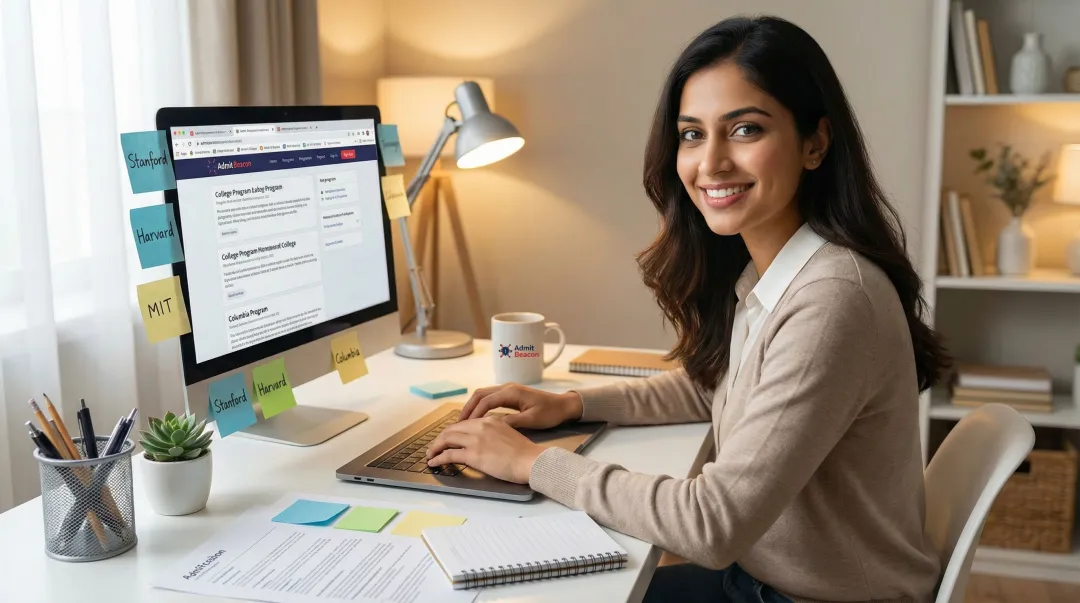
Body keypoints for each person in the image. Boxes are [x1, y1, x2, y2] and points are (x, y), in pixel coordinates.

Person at [425, 15, 950, 603]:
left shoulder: (832, 299)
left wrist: (532, 464)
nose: (711, 163)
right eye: (693, 134)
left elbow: (711, 524)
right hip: (764, 582)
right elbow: (720, 388)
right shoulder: (777, 274)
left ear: (815, 143)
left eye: (745, 130)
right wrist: (573, 405)